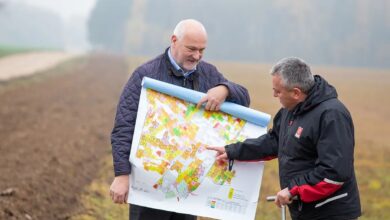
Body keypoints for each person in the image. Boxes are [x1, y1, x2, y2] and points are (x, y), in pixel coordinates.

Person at [109, 19, 250, 220]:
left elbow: (244, 98)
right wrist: (122, 175)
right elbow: (124, 126)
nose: (197, 56)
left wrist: (225, 89)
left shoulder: (209, 73)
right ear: (174, 40)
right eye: (191, 49)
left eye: (202, 50)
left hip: (188, 190)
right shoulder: (146, 74)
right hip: (149, 184)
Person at [208, 57, 361, 220]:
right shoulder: (291, 109)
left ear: (296, 92)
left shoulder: (332, 116)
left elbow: (334, 173)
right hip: (304, 209)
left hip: (331, 212)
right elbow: (274, 141)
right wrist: (233, 151)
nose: (274, 95)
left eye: (278, 91)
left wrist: (293, 190)